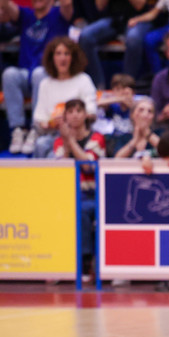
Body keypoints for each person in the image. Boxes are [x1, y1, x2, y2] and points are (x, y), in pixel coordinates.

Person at [0, 0, 73, 154]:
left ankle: (37, 128)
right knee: (9, 74)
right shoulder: (26, 14)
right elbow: (3, 6)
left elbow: (67, 2)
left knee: (39, 73)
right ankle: (18, 129)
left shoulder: (58, 14)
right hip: (26, 75)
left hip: (50, 77)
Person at [50, 97, 105, 261]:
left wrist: (71, 140)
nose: (75, 115)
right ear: (65, 117)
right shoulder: (59, 142)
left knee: (81, 209)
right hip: (67, 195)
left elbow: (88, 166)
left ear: (86, 114)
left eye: (79, 111)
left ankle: (85, 260)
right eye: (70, 112)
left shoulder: (97, 138)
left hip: (92, 194)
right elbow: (62, 170)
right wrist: (67, 144)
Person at [30, 36, 98, 158]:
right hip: (54, 134)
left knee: (53, 155)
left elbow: (92, 113)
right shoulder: (45, 84)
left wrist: (72, 119)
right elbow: (39, 120)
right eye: (58, 54)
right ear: (52, 58)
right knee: (41, 144)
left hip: (79, 135)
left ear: (73, 58)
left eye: (67, 54)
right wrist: (51, 123)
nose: (63, 58)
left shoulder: (83, 79)